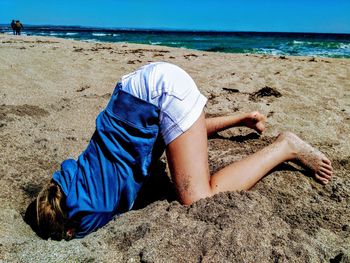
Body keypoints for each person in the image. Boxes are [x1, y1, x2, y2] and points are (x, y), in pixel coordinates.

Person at [24, 62, 333, 240]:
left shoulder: (86, 212)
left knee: (196, 198)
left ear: (67, 230)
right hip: (135, 95)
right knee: (169, 140)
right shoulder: (66, 180)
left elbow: (83, 225)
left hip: (161, 93)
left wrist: (69, 233)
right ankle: (240, 118)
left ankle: (285, 147)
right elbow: (177, 136)